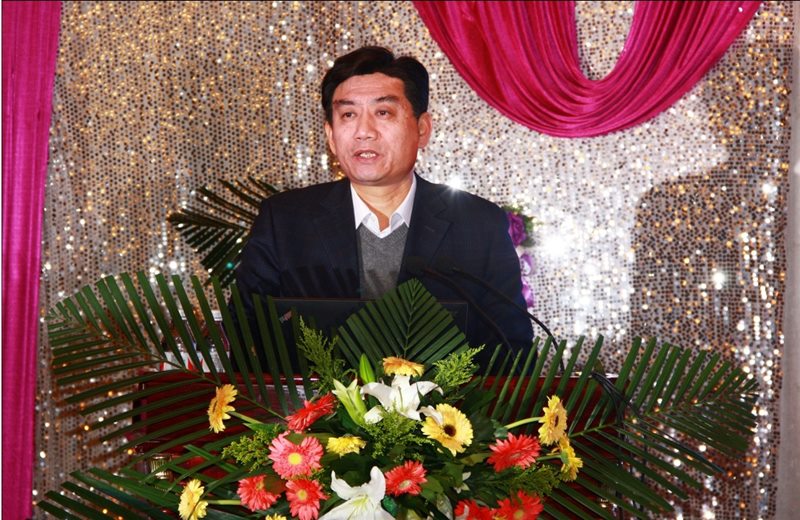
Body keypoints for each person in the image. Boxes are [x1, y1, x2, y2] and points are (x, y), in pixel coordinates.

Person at [233, 46, 532, 366]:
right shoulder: (285, 222)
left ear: (422, 129)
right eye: (348, 115)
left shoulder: (478, 225)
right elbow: (244, 342)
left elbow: (512, 356)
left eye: (383, 113)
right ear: (331, 135)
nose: (364, 132)